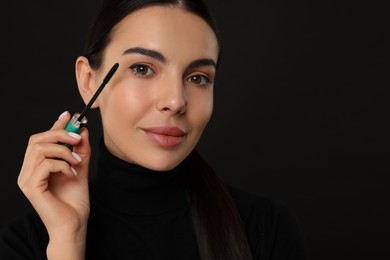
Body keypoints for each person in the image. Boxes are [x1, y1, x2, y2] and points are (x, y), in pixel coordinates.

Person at [0, 0, 309, 259]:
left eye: (198, 77)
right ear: (88, 81)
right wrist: (69, 239)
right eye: (143, 69)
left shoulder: (267, 229)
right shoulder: (27, 244)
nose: (176, 101)